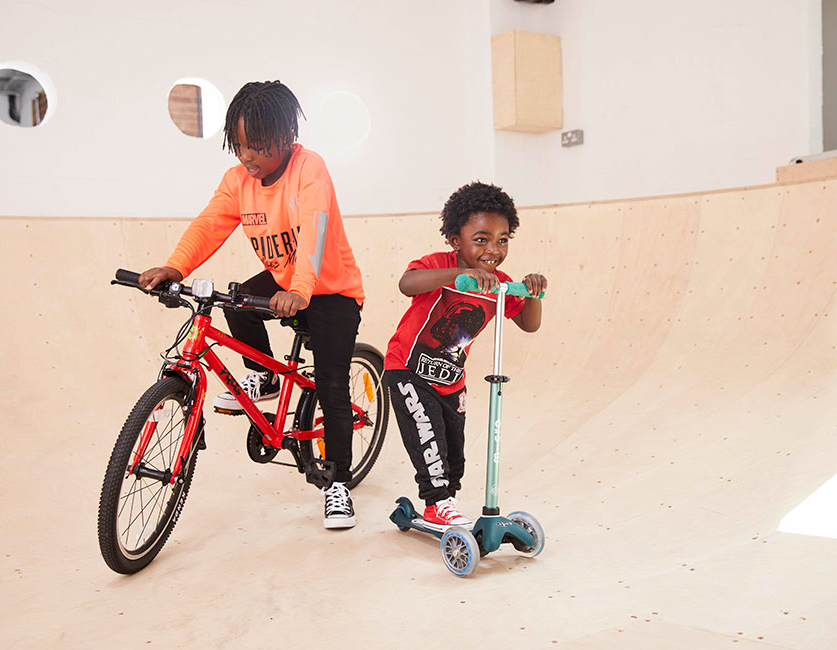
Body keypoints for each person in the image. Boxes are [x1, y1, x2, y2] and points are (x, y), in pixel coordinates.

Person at [138, 81, 364, 529]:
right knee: (236, 300)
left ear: (284, 137)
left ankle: (338, 482)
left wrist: (301, 288)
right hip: (286, 283)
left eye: (257, 146)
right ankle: (263, 377)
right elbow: (209, 224)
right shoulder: (238, 182)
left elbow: (315, 227)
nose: (247, 156)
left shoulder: (308, 169)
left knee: (331, 384)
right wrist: (175, 267)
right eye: (239, 145)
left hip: (331, 289)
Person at [383, 181, 547, 527]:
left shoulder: (499, 282)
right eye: (481, 239)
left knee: (454, 450)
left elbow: (529, 325)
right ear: (456, 241)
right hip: (408, 371)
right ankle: (437, 501)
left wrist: (532, 292)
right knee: (427, 440)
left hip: (451, 379)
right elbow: (407, 283)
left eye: (503, 239)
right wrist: (460, 274)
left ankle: (444, 500)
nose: (494, 249)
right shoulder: (440, 265)